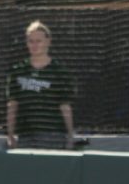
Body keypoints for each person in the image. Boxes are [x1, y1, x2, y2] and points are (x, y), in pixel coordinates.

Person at [5, 20, 76, 150]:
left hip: (52, 135)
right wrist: (10, 135)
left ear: (48, 42)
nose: (34, 45)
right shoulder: (18, 71)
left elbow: (65, 106)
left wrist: (71, 135)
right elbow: (12, 105)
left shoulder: (59, 72)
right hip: (25, 135)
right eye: (31, 41)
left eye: (39, 41)